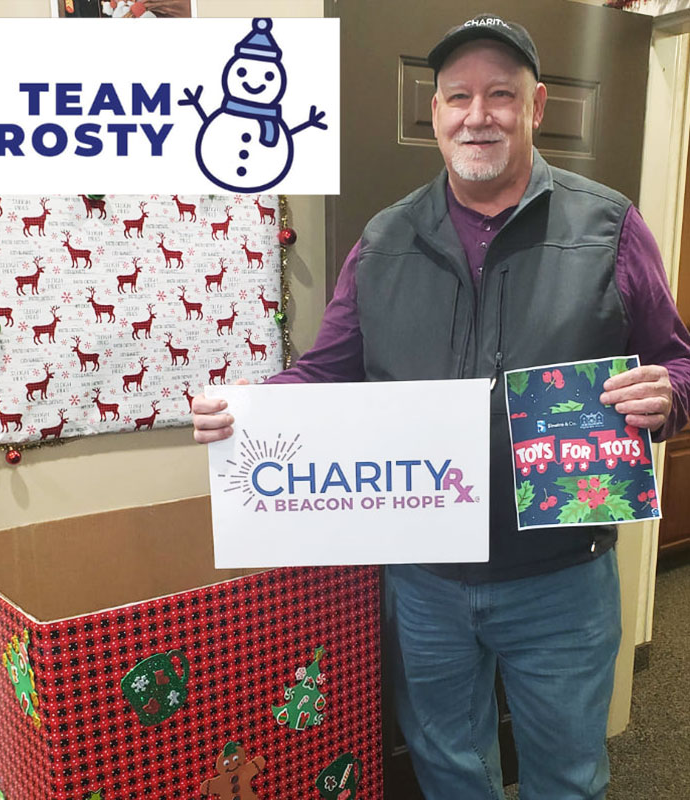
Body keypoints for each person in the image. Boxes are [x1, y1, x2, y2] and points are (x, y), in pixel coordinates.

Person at [193, 14, 690, 800]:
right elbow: (326, 372)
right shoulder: (385, 239)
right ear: (435, 114)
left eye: (501, 94)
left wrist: (669, 393)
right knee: (450, 772)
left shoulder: (609, 226)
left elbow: (676, 360)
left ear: (537, 107)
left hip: (561, 579)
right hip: (425, 585)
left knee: (569, 777)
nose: (477, 114)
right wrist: (251, 410)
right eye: (458, 96)